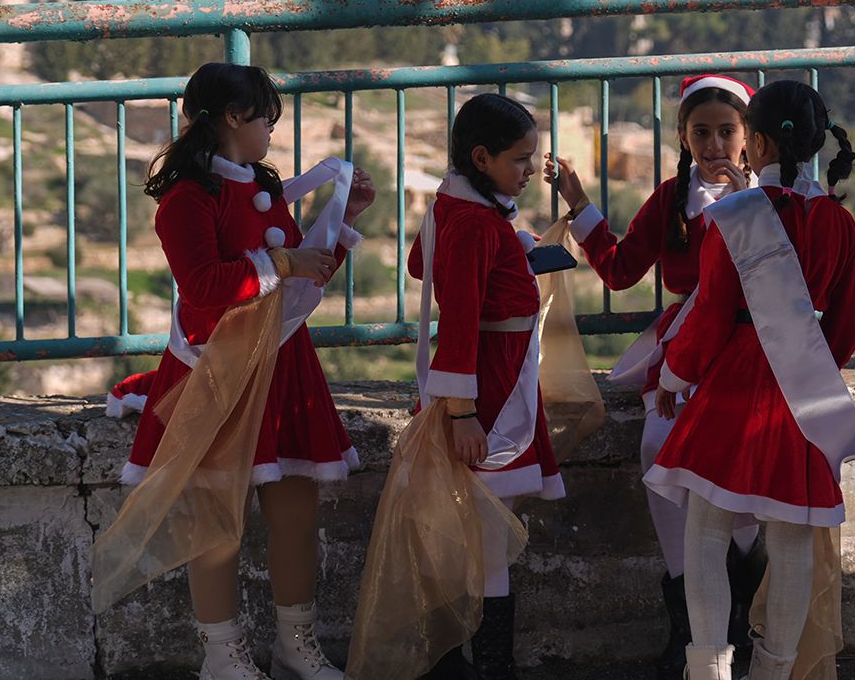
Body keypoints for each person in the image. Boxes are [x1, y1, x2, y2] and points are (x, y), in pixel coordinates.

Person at [119, 62, 374, 680]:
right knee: (218, 522)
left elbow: (299, 277)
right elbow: (204, 289)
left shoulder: (261, 182)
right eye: (265, 119)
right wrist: (282, 260)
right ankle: (222, 656)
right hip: (218, 373)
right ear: (233, 118)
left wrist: (346, 220)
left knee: (295, 512)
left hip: (283, 364)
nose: (270, 133)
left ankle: (296, 645)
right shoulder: (186, 199)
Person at [643, 79, 855, 680]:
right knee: (793, 541)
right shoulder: (838, 224)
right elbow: (848, 328)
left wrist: (673, 374)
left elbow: (712, 313)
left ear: (758, 142)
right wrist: (811, 364)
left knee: (705, 530)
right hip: (803, 390)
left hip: (734, 386)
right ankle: (773, 672)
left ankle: (710, 669)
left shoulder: (733, 215)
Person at [543, 74, 771, 677]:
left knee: (739, 465)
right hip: (683, 348)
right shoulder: (673, 199)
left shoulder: (771, 199)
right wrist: (577, 201)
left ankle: (744, 608)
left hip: (748, 346)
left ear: (750, 137)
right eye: (702, 133)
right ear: (682, 136)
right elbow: (619, 269)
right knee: (659, 451)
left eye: (728, 131)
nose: (715, 144)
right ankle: (690, 623)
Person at [409, 92, 564, 679]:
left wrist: (509, 249)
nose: (530, 171)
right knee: (490, 527)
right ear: (482, 157)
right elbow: (463, 316)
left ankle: (468, 655)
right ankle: (487, 659)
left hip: (493, 377)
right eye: (521, 160)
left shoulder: (460, 208)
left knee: (485, 525)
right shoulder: (476, 222)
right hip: (489, 390)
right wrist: (462, 412)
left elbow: (421, 264)